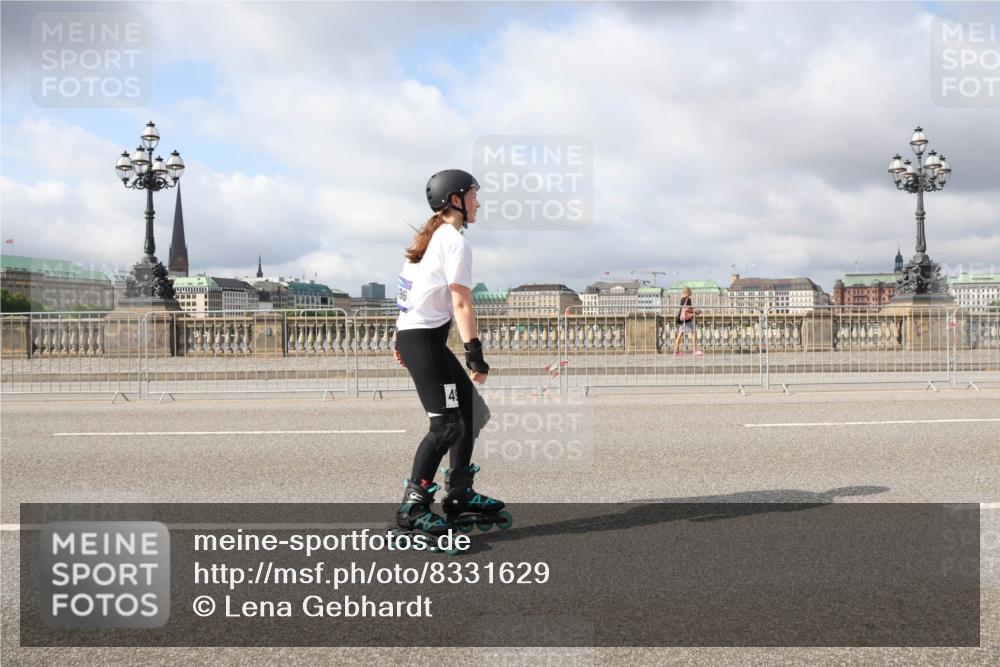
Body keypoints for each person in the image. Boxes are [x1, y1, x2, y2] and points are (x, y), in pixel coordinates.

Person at [391, 169, 506, 537]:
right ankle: (413, 506)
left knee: (472, 414)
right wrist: (475, 353)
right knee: (446, 426)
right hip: (423, 341)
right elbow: (461, 303)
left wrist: (399, 339)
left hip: (421, 339)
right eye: (474, 195)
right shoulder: (454, 242)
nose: (479, 203)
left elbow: (410, 294)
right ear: (455, 199)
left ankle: (459, 494)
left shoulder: (427, 240)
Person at [673, 286, 703, 356]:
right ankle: (695, 351)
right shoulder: (688, 299)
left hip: (683, 319)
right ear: (688, 292)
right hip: (687, 320)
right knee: (693, 333)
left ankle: (676, 351)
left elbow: (683, 309)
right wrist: (696, 311)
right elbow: (687, 309)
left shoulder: (682, 299)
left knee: (680, 334)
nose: (691, 292)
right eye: (690, 291)